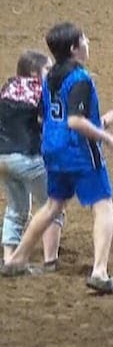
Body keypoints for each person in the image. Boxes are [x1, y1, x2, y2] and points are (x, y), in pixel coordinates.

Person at [2, 24, 113, 292]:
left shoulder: (49, 78)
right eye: (84, 40)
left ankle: (17, 259)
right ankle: (100, 271)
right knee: (103, 204)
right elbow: (75, 121)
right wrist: (107, 137)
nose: (88, 43)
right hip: (79, 152)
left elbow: (46, 116)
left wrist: (101, 121)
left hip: (52, 150)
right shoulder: (80, 78)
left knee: (53, 205)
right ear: (73, 49)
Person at [0, 50, 61, 269]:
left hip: (3, 157)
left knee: (15, 209)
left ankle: (8, 257)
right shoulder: (41, 91)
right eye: (48, 68)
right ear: (35, 72)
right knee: (51, 206)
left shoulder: (8, 87)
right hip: (29, 158)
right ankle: (50, 259)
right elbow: (49, 123)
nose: (51, 72)